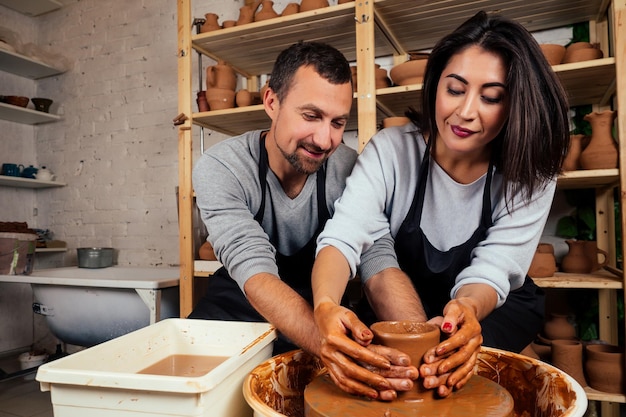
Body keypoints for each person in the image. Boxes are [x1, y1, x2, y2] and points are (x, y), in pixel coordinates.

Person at [311, 10, 570, 401]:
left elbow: (495, 267)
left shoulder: (530, 172)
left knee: (470, 390)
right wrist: (325, 306)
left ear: (515, 104)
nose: (466, 111)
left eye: (491, 97)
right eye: (455, 89)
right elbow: (345, 237)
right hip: (406, 300)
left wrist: (464, 308)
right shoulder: (391, 151)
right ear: (435, 85)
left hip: (485, 308)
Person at [188, 41, 357, 356]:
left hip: (322, 312)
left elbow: (376, 255)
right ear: (271, 102)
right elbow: (253, 267)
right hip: (238, 309)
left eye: (337, 123)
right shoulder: (223, 165)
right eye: (310, 115)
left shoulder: (350, 168)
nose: (324, 140)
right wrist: (334, 351)